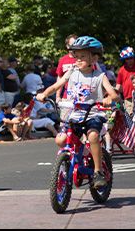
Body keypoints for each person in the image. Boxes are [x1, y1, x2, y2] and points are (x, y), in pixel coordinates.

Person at [37, 36, 118, 188]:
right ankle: (69, 161)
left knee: (93, 135)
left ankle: (98, 171)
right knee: (61, 140)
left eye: (82, 56)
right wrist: (44, 94)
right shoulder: (72, 72)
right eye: (76, 56)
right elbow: (56, 86)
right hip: (73, 113)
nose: (78, 60)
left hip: (93, 113)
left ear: (94, 58)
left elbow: (114, 94)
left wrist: (109, 98)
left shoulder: (99, 76)